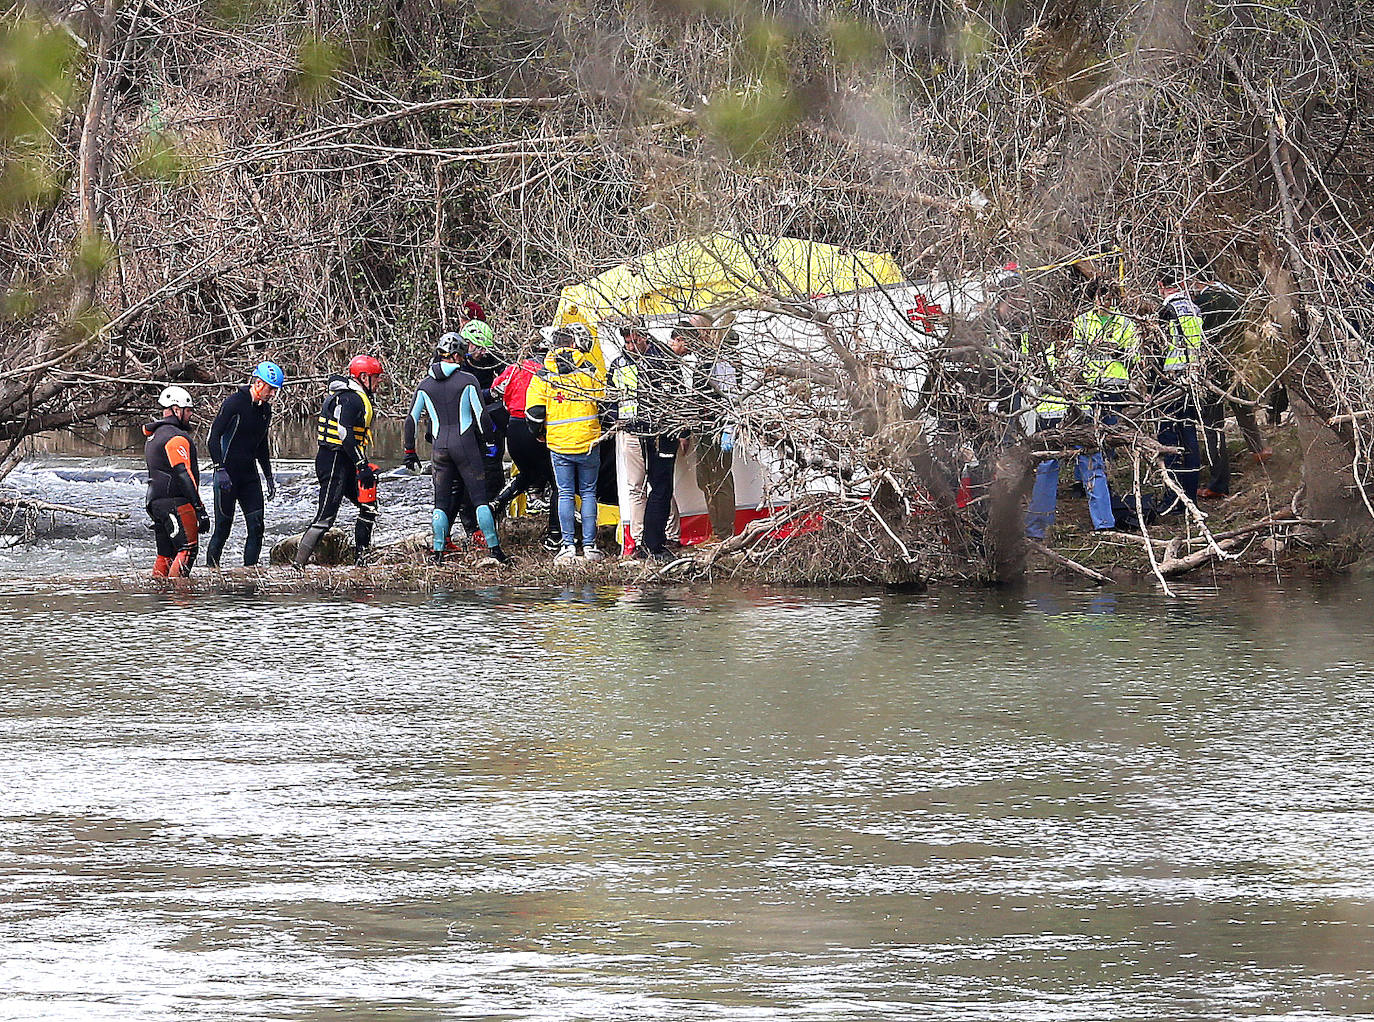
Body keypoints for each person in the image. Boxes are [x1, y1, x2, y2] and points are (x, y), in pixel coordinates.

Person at [403, 333, 509, 564]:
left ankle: (439, 553)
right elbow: (481, 415)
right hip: (465, 445)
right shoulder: (467, 380)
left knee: (440, 503)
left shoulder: (425, 384)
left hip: (439, 448)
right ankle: (495, 550)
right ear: (458, 356)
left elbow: (410, 419)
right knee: (480, 499)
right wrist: (490, 443)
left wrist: (409, 452)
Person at [525, 332, 607, 562]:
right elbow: (605, 403)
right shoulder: (590, 370)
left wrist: (540, 433)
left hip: (559, 444)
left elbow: (533, 413)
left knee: (565, 494)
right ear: (573, 344)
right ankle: (590, 546)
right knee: (589, 493)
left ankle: (568, 546)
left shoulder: (543, 374)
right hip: (589, 441)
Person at [295, 355, 382, 569]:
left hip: (347, 461)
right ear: (363, 377)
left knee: (368, 506)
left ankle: (361, 559)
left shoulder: (356, 396)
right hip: (333, 460)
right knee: (325, 517)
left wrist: (361, 465)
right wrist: (362, 465)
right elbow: (344, 433)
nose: (379, 381)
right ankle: (297, 566)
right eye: (376, 377)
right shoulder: (350, 398)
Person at [609, 320, 684, 560]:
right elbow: (611, 397)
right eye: (627, 341)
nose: (630, 346)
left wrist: (680, 431)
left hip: (660, 431)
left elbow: (677, 394)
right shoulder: (619, 363)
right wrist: (616, 420)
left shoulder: (663, 360)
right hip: (631, 431)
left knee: (660, 486)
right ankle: (645, 541)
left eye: (634, 340)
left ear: (644, 336)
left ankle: (659, 539)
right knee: (639, 487)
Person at [1194, 273, 1271, 498]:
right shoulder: (1233, 296)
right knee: (1242, 407)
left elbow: (1200, 337)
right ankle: (1257, 448)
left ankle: (1218, 483)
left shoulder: (1203, 303)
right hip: (1234, 362)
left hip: (1211, 368)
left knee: (1212, 424)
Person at [205, 361, 283, 568]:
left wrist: (268, 476)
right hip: (227, 475)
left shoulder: (265, 411)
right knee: (223, 528)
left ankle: (250, 577)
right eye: (271, 389)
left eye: (276, 390)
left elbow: (261, 445)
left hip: (249, 476)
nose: (273, 395)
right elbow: (213, 438)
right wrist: (219, 468)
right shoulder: (234, 403)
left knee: (257, 528)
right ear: (258, 383)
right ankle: (212, 573)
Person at [489, 333, 562, 549]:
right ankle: (555, 533)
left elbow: (494, 390)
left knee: (528, 474)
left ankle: (498, 502)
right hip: (535, 428)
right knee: (558, 483)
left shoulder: (515, 369)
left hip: (513, 429)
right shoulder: (547, 372)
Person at [143, 385, 210, 578]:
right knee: (187, 550)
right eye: (188, 411)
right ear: (176, 410)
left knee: (165, 554)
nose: (190, 415)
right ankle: (179, 600)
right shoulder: (176, 438)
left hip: (155, 501)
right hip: (175, 501)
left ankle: (160, 597)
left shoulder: (154, 436)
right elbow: (183, 473)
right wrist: (199, 509)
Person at [1155, 268, 1204, 512]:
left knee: (1168, 437)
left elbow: (1157, 349)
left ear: (1161, 284)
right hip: (1192, 378)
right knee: (1190, 435)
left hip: (1170, 379)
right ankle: (1191, 494)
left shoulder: (1165, 311)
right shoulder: (1193, 307)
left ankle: (1174, 497)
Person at [689, 325, 740, 544]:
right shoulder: (704, 360)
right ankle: (716, 530)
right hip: (703, 428)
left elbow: (731, 398)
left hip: (719, 427)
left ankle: (725, 533)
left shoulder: (724, 362)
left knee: (721, 481)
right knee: (705, 479)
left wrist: (728, 430)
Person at [458, 319, 509, 520]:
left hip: (492, 421)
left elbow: (508, 373)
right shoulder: (456, 364)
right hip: (467, 421)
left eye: (485, 348)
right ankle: (470, 522)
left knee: (493, 470)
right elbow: (460, 393)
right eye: (479, 348)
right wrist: (490, 393)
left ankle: (495, 516)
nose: (482, 353)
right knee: (468, 473)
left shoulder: (493, 359)